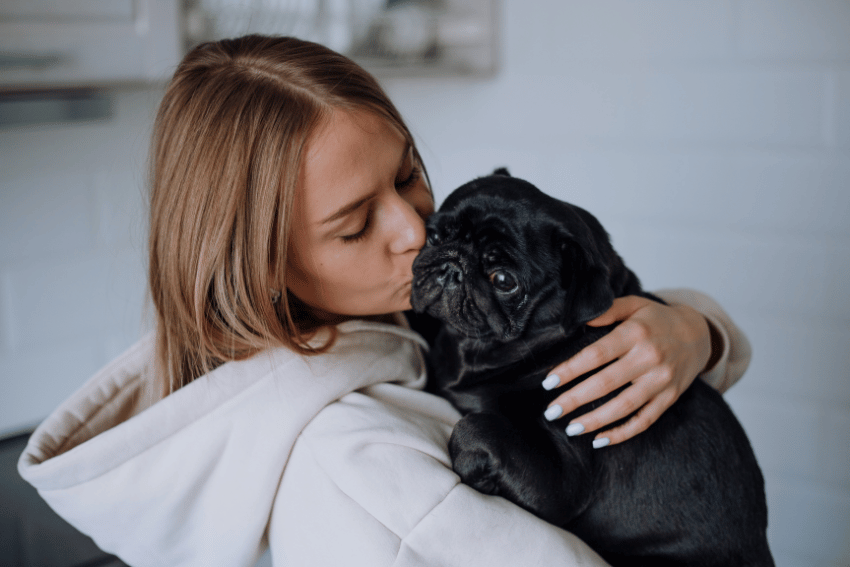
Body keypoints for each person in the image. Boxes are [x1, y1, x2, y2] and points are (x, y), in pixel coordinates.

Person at [18, 35, 751, 566]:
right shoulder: (358, 461)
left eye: (406, 175)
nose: (414, 229)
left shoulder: (382, 316)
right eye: (355, 224)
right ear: (261, 268)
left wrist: (694, 329)